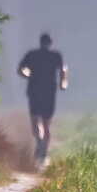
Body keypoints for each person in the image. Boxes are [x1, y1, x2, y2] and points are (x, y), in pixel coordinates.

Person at [17, 32, 68, 166]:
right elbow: (21, 68)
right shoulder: (32, 55)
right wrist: (27, 74)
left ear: (49, 44)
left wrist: (63, 82)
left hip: (48, 92)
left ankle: (43, 151)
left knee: (45, 123)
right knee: (35, 121)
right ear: (42, 43)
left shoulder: (55, 56)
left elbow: (63, 69)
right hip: (35, 91)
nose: (45, 45)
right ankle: (40, 144)